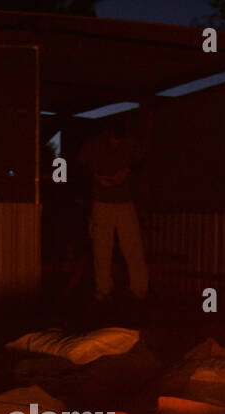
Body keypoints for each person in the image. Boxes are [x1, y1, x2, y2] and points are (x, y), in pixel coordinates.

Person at [77, 111, 150, 307]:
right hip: (101, 203)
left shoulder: (133, 144)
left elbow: (143, 161)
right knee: (102, 248)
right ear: (108, 135)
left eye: (121, 140)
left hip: (125, 203)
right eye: (114, 140)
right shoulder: (94, 144)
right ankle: (103, 291)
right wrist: (95, 176)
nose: (117, 144)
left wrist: (127, 171)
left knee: (133, 247)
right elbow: (81, 166)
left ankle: (140, 291)